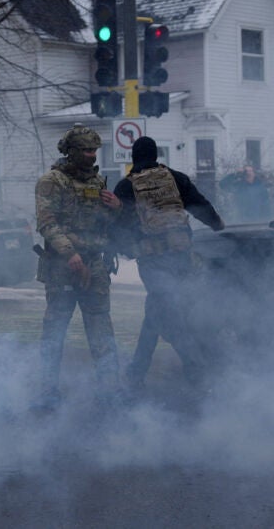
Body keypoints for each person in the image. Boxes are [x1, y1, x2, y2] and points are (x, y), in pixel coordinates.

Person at [113, 136, 225, 391]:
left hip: (153, 263)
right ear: (157, 155)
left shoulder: (126, 186)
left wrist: (126, 249)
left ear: (134, 157)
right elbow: (199, 205)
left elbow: (117, 227)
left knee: (167, 314)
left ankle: (196, 371)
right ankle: (136, 373)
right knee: (158, 312)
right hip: (182, 258)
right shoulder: (175, 178)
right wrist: (217, 224)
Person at [34, 124, 124, 409]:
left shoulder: (97, 182)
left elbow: (104, 226)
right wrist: (69, 254)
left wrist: (116, 209)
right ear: (72, 151)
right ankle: (47, 393)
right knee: (55, 331)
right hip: (63, 267)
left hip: (94, 266)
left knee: (102, 331)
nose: (92, 155)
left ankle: (109, 392)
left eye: (94, 150)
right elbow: (47, 223)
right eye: (86, 150)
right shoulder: (52, 180)